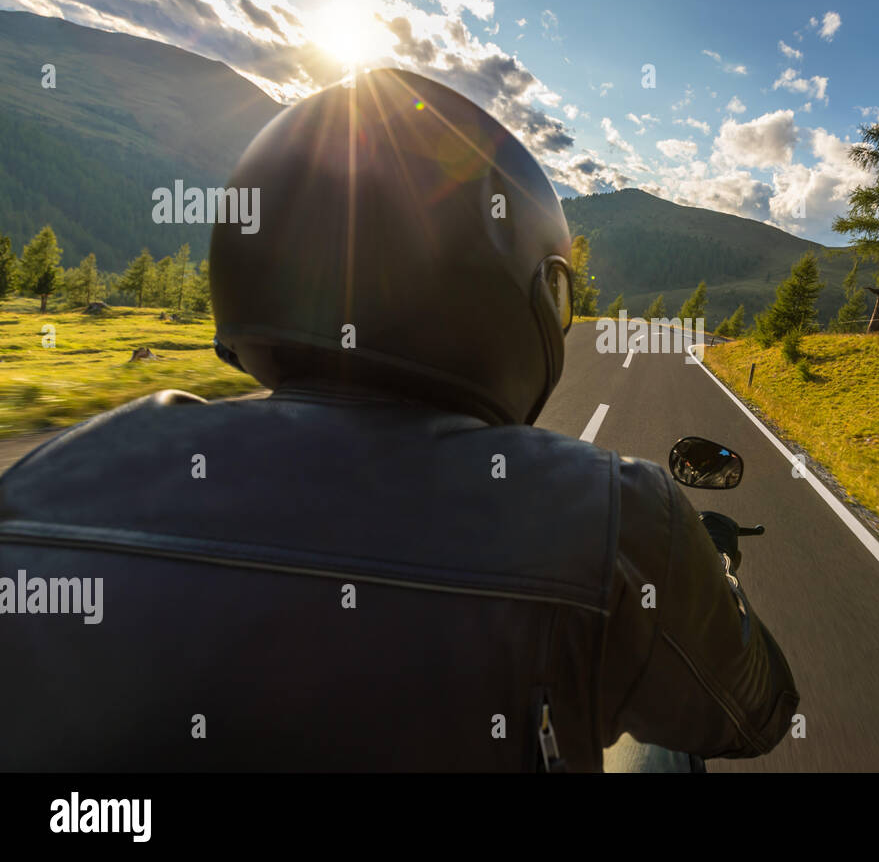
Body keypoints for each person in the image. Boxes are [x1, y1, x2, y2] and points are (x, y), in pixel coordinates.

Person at [0, 68, 798, 772]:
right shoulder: (620, 520)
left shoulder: (51, 476)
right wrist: (712, 574)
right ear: (521, 290)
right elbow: (755, 716)